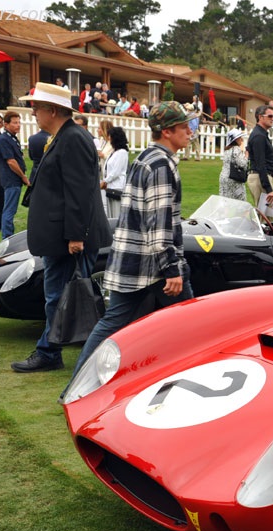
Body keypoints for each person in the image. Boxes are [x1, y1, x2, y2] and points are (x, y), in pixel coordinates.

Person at [68, 101, 196, 382]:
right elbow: (159, 223)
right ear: (167, 131)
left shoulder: (146, 157)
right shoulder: (161, 164)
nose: (190, 131)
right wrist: (171, 269)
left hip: (133, 259)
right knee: (191, 325)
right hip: (151, 263)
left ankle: (77, 384)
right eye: (184, 126)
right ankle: (190, 380)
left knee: (113, 323)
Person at [10, 82, 110, 373]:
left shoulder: (73, 138)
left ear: (52, 110)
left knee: (60, 297)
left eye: (36, 107)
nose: (33, 113)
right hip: (63, 236)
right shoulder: (64, 136)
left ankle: (50, 352)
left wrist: (76, 236)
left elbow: (79, 192)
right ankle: (51, 351)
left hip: (71, 238)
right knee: (58, 296)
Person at [246, 104, 273, 209]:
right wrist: (269, 189)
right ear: (260, 117)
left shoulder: (262, 134)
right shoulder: (259, 136)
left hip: (261, 177)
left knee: (266, 215)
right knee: (265, 216)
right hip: (259, 178)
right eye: (270, 116)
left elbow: (268, 160)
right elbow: (260, 163)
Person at [0, 110, 30, 239]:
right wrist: (23, 176)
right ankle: (7, 236)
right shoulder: (4, 139)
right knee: (9, 209)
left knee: (11, 208)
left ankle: (7, 234)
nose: (18, 125)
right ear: (6, 124)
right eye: (15, 123)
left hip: (14, 179)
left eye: (19, 122)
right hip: (11, 179)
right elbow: (11, 161)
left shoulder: (12, 138)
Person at [100, 126, 128, 218]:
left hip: (117, 187)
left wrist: (105, 181)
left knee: (116, 215)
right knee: (110, 214)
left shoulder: (122, 152)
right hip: (110, 187)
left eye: (110, 136)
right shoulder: (114, 152)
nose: (109, 138)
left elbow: (116, 171)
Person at [219, 128, 249, 201]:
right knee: (240, 201)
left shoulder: (227, 149)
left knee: (225, 201)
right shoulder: (236, 149)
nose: (241, 139)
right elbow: (242, 164)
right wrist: (246, 155)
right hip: (234, 178)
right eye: (239, 138)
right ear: (235, 139)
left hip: (224, 177)